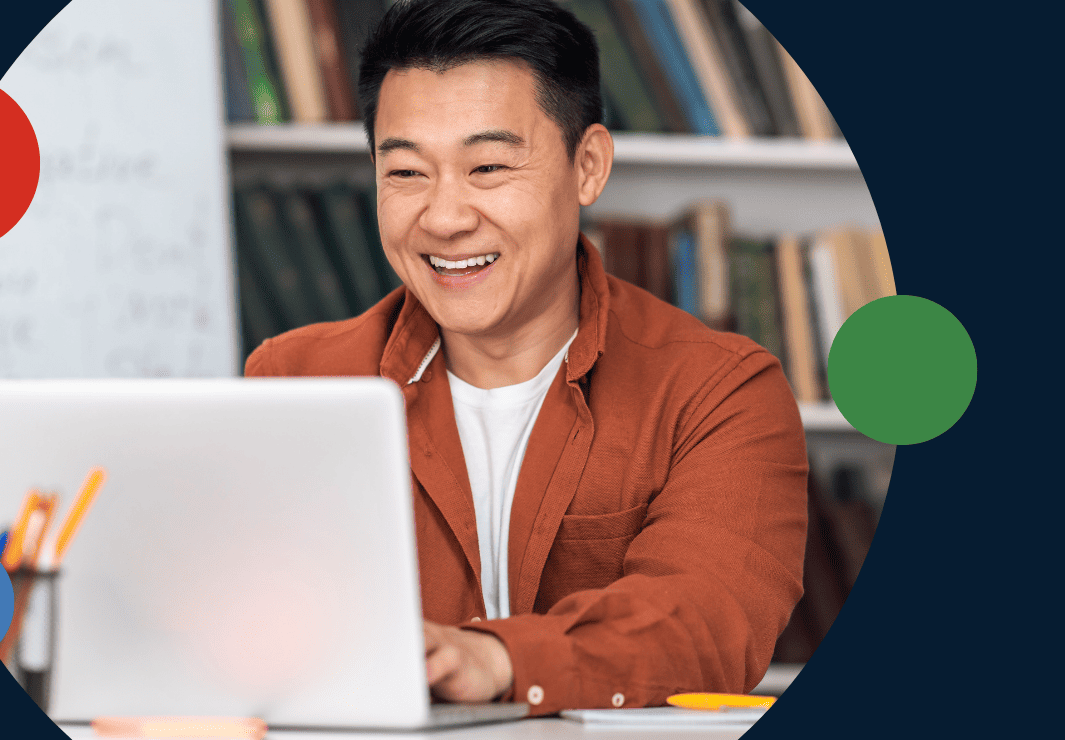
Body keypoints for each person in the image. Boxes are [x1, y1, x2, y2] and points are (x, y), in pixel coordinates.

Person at [244, 0, 807, 715]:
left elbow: (705, 620)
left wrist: (498, 658)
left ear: (588, 167)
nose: (445, 218)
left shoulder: (719, 391)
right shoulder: (293, 381)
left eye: (487, 167)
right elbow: (237, 623)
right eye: (407, 173)